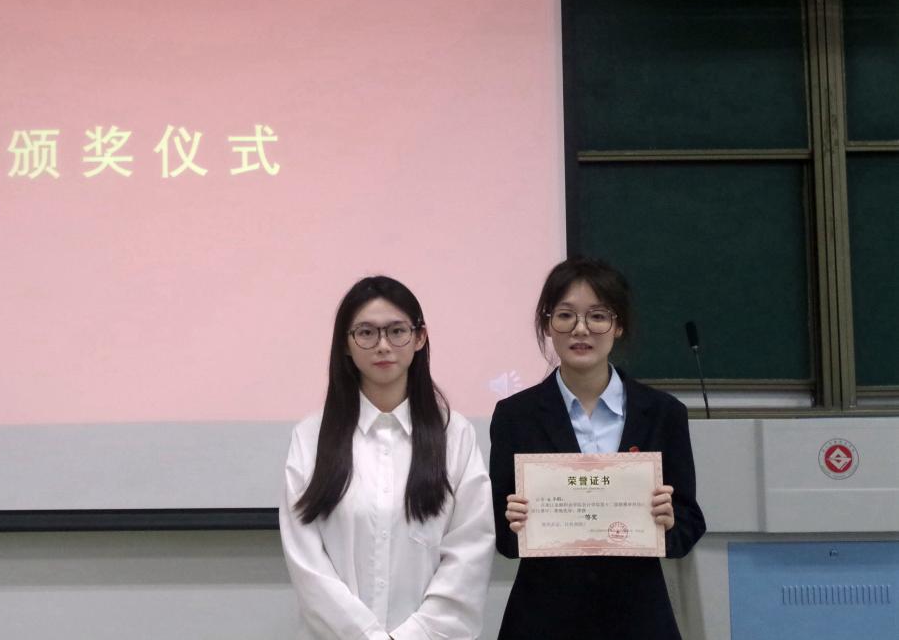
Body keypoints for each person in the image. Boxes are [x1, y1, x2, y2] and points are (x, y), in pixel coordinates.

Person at [489, 256, 707, 640]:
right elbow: (501, 534)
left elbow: (689, 522)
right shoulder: (515, 416)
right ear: (547, 324)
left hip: (638, 619)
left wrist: (669, 522)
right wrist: (513, 523)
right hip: (543, 619)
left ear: (618, 326)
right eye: (565, 316)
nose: (581, 329)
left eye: (598, 316)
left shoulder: (663, 413)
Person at [280, 276, 495, 640]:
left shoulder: (454, 435)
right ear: (346, 344)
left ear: (420, 338)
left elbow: (469, 551)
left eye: (397, 332)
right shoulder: (311, 437)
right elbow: (307, 563)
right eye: (366, 333)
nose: (383, 346)